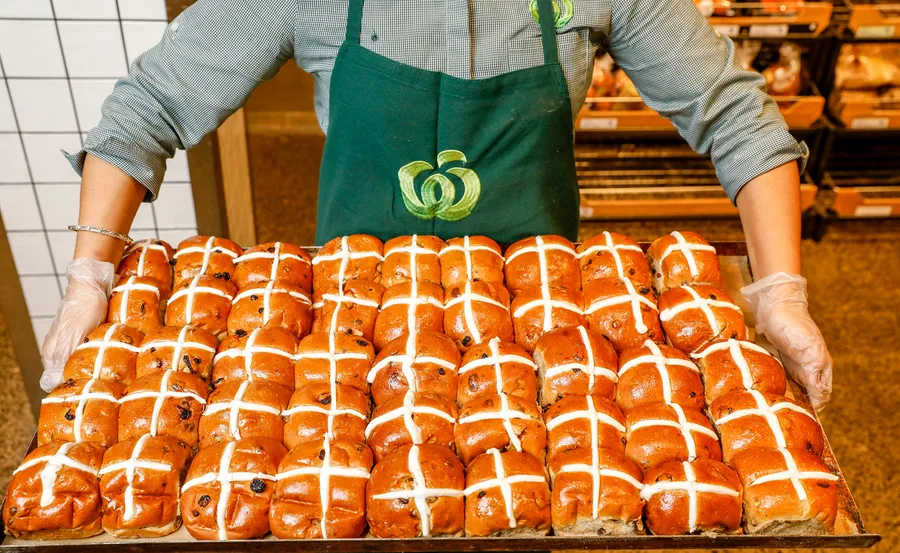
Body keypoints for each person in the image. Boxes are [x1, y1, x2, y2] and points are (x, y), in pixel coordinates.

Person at [38, 0, 832, 408]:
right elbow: (150, 106)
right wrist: (87, 277)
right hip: (356, 334)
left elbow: (739, 117)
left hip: (537, 329)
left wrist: (781, 291)